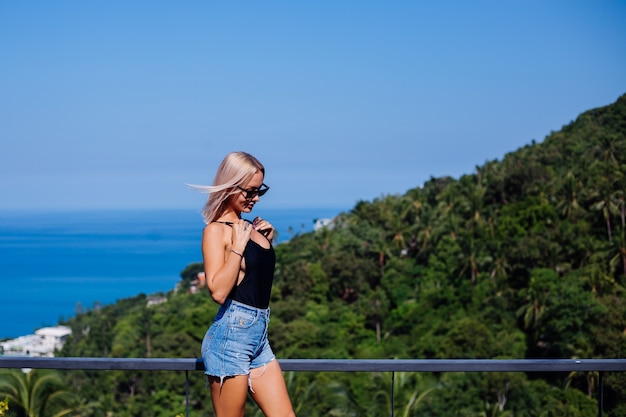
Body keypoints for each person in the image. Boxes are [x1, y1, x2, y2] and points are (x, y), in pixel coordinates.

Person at [192, 151, 295, 417]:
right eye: (249, 191)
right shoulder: (216, 230)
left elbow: (254, 279)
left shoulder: (247, 226)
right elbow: (217, 290)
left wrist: (266, 241)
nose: (256, 198)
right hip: (230, 339)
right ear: (229, 186)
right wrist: (239, 246)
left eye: (259, 190)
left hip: (259, 337)